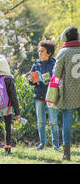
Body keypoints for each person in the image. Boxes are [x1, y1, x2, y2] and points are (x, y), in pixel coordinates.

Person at [53, 26, 80, 161]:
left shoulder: (63, 52)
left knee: (67, 122)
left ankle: (67, 154)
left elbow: (56, 73)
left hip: (68, 92)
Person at [28, 40, 60, 151]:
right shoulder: (36, 64)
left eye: (42, 51)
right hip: (39, 95)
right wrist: (31, 80)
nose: (39, 53)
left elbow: (58, 78)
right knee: (40, 121)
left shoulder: (54, 64)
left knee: (53, 121)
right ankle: (42, 143)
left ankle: (56, 145)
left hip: (51, 96)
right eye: (39, 51)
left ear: (49, 53)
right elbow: (31, 80)